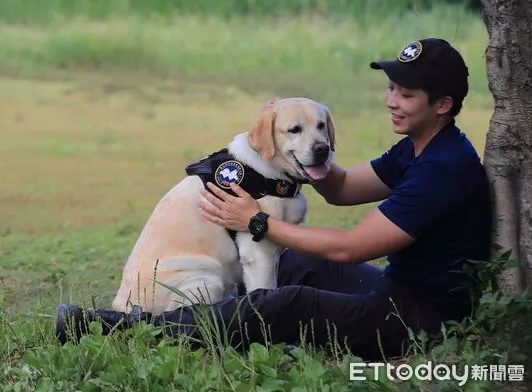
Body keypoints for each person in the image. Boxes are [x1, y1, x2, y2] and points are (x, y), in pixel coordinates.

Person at [54, 37, 492, 361]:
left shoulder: (444, 168)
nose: (392, 101)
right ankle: (229, 320)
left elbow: (352, 246)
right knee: (287, 264)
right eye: (391, 88)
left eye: (407, 94)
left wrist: (256, 221)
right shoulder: (417, 146)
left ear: (443, 105)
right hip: (396, 288)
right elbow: (340, 188)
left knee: (285, 302)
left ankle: (120, 328)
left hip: (419, 319)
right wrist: (293, 153)